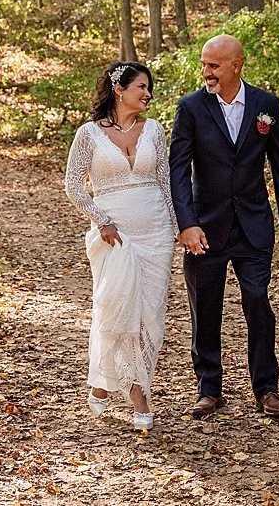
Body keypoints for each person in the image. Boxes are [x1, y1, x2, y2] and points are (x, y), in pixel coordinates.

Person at [169, 34, 279, 420]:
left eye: (213, 65)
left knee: (257, 300)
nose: (205, 72)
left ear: (236, 66)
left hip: (253, 224)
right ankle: (209, 388)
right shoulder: (191, 108)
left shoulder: (265, 105)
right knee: (205, 306)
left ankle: (266, 388)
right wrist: (187, 223)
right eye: (203, 64)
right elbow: (178, 170)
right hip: (205, 227)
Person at [64, 61, 177, 432]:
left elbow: (166, 183)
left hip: (156, 232)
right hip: (114, 235)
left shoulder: (154, 130)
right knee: (117, 307)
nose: (148, 94)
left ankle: (132, 385)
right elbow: (74, 186)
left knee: (150, 314)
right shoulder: (88, 134)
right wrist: (102, 220)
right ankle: (123, 386)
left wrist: (179, 229)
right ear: (119, 89)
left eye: (149, 88)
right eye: (142, 86)